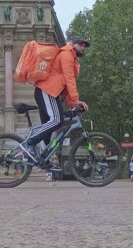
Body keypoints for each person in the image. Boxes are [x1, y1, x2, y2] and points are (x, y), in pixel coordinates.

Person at [20, 38, 90, 169]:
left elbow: (66, 84)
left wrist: (74, 104)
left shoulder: (72, 59)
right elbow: (69, 79)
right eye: (80, 44)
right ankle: (28, 144)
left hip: (52, 92)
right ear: (72, 44)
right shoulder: (67, 54)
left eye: (85, 46)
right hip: (47, 90)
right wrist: (76, 99)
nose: (83, 48)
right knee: (57, 121)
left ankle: (43, 159)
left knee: (49, 127)